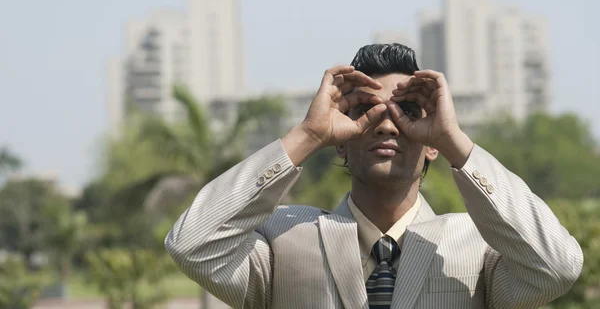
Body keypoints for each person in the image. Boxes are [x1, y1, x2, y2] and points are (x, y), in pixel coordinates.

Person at [165, 44, 583, 308]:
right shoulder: (283, 240)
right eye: (367, 113)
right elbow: (191, 245)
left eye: (409, 114)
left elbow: (558, 267)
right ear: (341, 141)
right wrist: (308, 135)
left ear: (433, 141)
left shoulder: (480, 248)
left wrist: (458, 142)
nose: (387, 126)